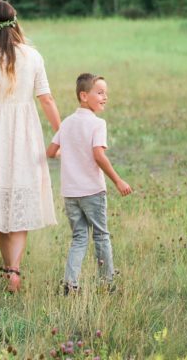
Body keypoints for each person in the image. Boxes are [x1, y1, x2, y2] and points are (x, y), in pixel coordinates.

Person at [0, 0, 61, 292]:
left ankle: (9, 268)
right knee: (20, 193)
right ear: (16, 22)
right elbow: (46, 99)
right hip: (25, 131)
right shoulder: (32, 56)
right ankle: (14, 268)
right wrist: (62, 132)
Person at [46, 73, 132, 294]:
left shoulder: (66, 123)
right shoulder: (97, 124)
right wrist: (118, 180)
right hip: (92, 191)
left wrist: (69, 155)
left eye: (106, 94)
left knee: (79, 237)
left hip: (70, 193)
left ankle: (70, 283)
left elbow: (51, 151)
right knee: (101, 235)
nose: (105, 97)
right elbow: (99, 155)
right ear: (84, 96)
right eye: (100, 92)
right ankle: (107, 283)